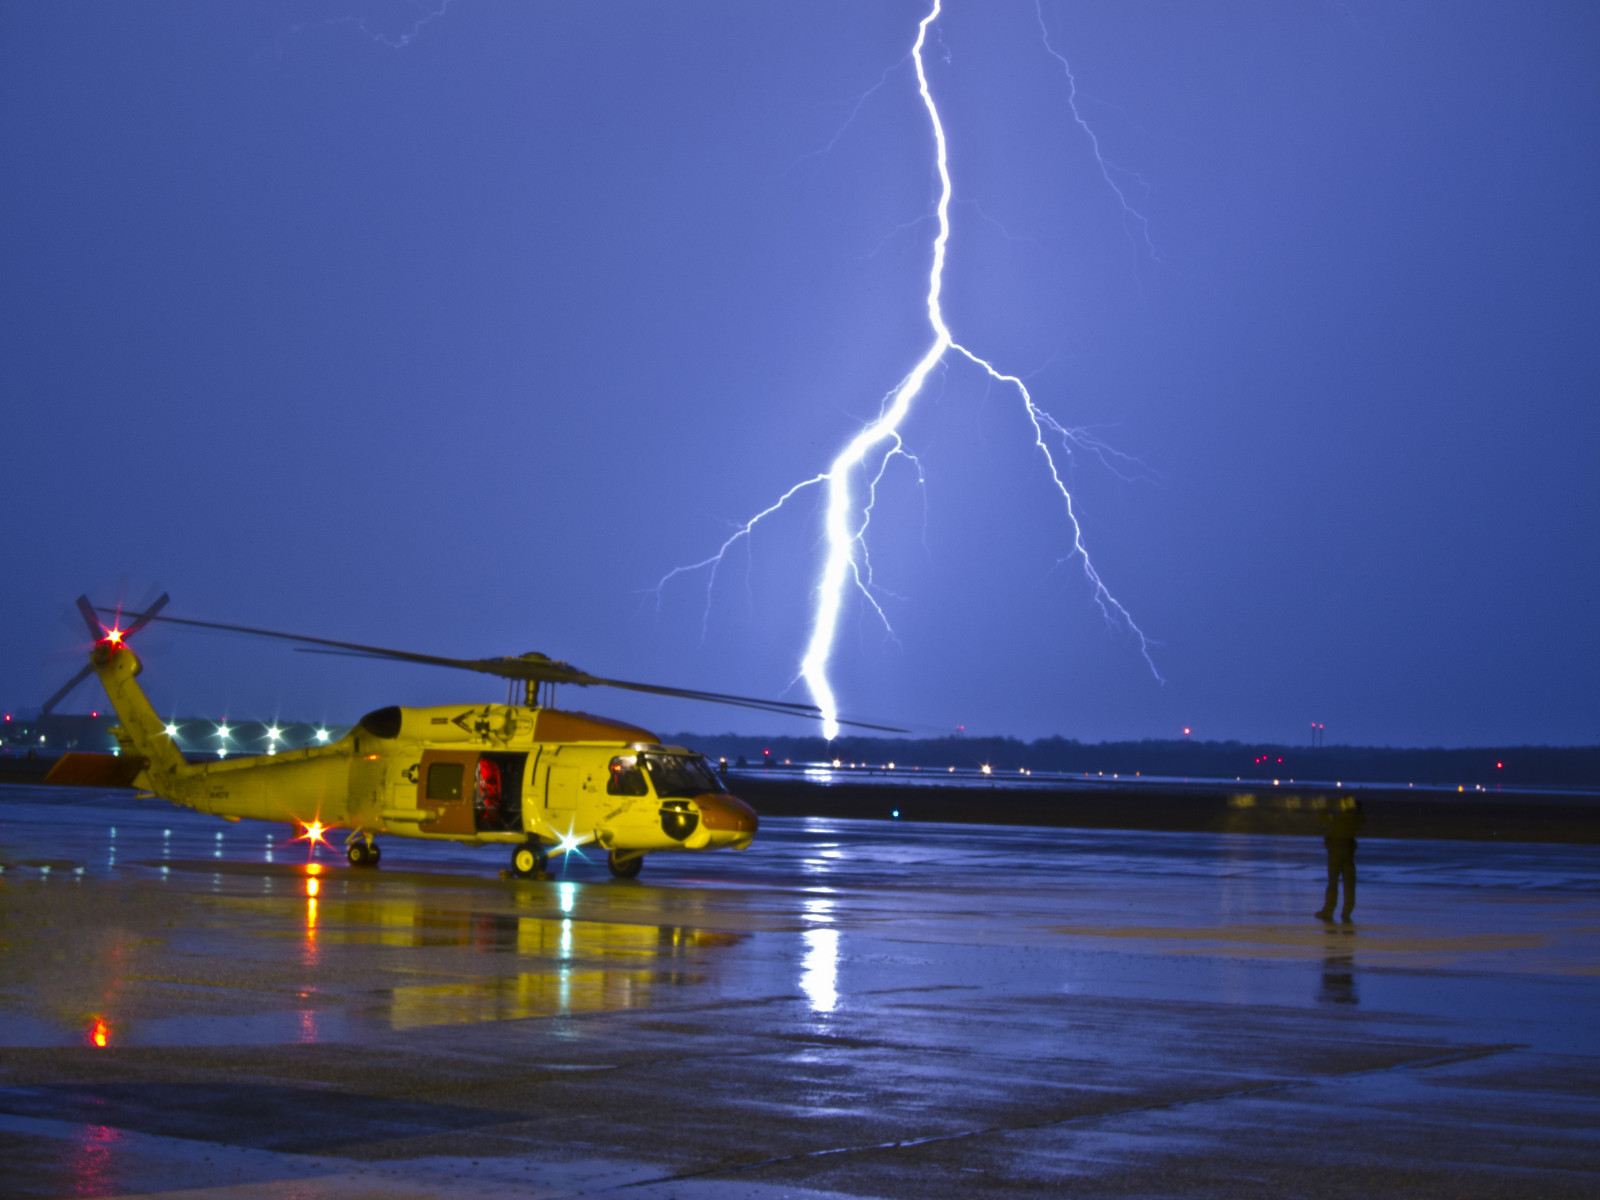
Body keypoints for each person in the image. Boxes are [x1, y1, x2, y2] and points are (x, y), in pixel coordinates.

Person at [1315, 795, 1364, 921]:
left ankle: (1329, 910)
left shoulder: (1336, 819)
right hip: (1347, 855)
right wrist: (1359, 810)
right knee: (1349, 885)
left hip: (1335, 855)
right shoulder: (1352, 820)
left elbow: (1320, 819)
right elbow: (1361, 820)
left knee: (1333, 884)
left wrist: (1326, 807)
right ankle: (1346, 911)